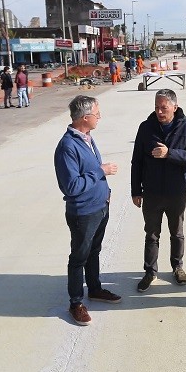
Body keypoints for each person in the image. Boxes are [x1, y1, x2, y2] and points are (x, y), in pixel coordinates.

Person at [54, 95, 122, 325]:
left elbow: (90, 170)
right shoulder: (67, 147)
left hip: (100, 207)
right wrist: (101, 172)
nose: (99, 117)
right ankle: (75, 303)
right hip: (83, 213)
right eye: (97, 114)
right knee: (79, 257)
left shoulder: (87, 138)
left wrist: (106, 192)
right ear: (85, 118)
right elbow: (71, 186)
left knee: (94, 251)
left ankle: (94, 289)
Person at [131, 89, 186, 292]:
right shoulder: (146, 128)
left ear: (175, 107)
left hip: (176, 191)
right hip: (151, 192)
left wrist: (170, 154)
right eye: (156, 107)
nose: (160, 112)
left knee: (176, 233)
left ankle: (177, 267)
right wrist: (136, 190)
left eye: (164, 108)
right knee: (151, 234)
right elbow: (137, 162)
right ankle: (150, 272)